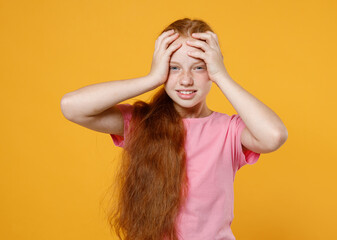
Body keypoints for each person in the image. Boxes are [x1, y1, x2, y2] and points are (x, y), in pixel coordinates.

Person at [60, 18, 288, 240]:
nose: (186, 80)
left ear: (212, 70)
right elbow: (71, 106)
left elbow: (274, 135)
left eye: (199, 67)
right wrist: (151, 79)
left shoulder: (229, 130)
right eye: (174, 67)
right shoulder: (142, 122)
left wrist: (222, 76)